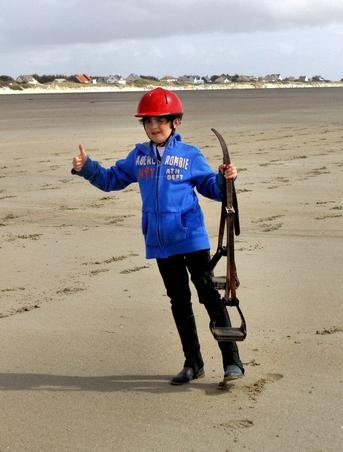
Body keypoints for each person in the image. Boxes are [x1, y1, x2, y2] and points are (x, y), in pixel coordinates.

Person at [72, 87, 244, 385]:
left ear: (175, 122)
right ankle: (193, 362)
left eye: (160, 120)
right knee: (179, 302)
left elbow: (212, 188)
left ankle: (232, 363)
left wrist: (224, 178)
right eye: (148, 121)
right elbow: (112, 179)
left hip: (191, 238)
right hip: (160, 244)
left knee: (209, 299)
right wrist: (87, 168)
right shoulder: (139, 157)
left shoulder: (189, 155)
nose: (154, 126)